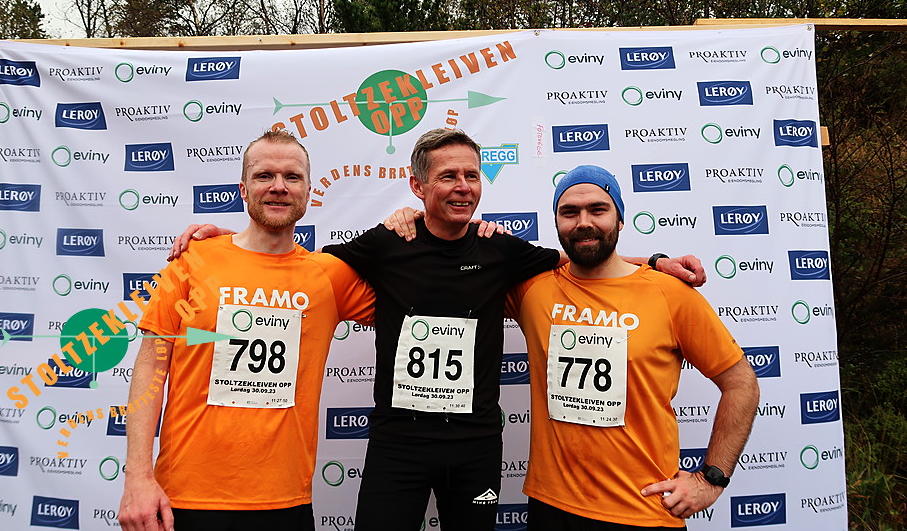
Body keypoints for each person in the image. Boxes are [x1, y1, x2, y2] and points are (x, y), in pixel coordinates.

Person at [172, 129, 706, 531]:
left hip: (475, 449)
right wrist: (231, 241)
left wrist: (656, 261)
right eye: (448, 176)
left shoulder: (500, 249)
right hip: (397, 445)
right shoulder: (387, 243)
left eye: (472, 176)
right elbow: (291, 260)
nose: (462, 187)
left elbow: (585, 258)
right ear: (418, 185)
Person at [117, 130, 374, 531]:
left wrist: (437, 226)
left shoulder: (328, 276)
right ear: (243, 189)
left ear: (308, 192)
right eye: (264, 176)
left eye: (292, 177)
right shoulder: (193, 260)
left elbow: (416, 301)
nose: (278, 186)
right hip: (186, 495)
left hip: (285, 500)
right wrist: (137, 476)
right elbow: (151, 367)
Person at [505, 165, 760, 530]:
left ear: (620, 219)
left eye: (598, 210)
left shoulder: (669, 293)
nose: (583, 222)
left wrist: (711, 479)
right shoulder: (533, 290)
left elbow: (741, 383)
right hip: (551, 505)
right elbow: (458, 271)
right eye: (569, 212)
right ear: (557, 222)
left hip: (643, 510)